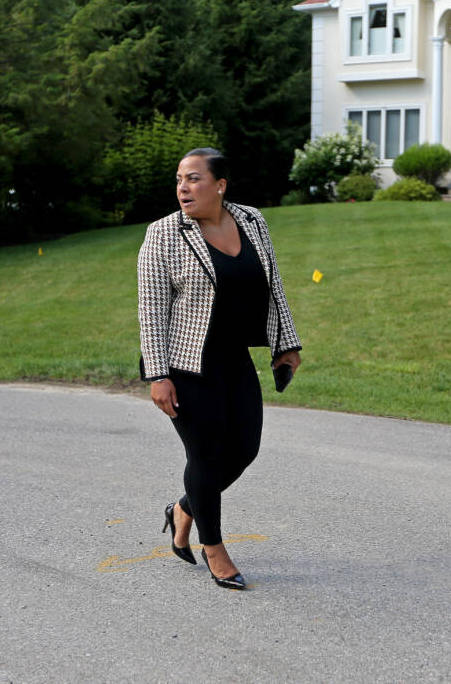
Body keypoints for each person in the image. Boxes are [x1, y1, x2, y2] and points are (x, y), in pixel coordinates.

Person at [137, 147, 301, 590]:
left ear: (220, 185)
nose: (183, 188)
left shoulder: (252, 221)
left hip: (233, 356)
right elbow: (151, 311)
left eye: (193, 179)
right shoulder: (163, 234)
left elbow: (273, 285)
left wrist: (287, 344)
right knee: (206, 456)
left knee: (244, 448)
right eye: (179, 180)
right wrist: (158, 375)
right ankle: (214, 549)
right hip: (185, 363)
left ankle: (184, 509)